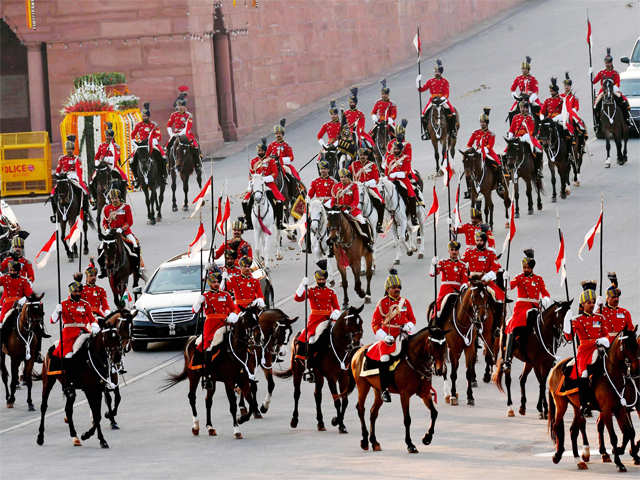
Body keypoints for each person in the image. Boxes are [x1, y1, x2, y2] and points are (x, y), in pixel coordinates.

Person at [366, 269, 416, 402]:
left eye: (398, 287)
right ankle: (384, 390)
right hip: (388, 338)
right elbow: (375, 324)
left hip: (403, 335)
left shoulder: (405, 302)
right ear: (387, 289)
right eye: (394, 287)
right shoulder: (381, 303)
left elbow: (412, 319)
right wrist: (383, 336)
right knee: (384, 358)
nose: (397, 289)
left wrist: (408, 326)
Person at [563, 281, 610, 413]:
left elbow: (606, 335)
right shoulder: (577, 320)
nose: (591, 304)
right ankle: (585, 404)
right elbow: (569, 337)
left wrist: (604, 340)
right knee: (584, 373)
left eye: (593, 302)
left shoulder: (600, 318)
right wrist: (567, 324)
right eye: (588, 302)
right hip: (584, 352)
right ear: (582, 304)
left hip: (600, 349)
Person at [502, 249, 551, 371]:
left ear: (532, 268)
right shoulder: (519, 278)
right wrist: (506, 280)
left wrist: (545, 299)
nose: (525, 270)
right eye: (524, 267)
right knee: (513, 327)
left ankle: (549, 352)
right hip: (521, 309)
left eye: (527, 268)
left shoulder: (538, 279)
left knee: (547, 326)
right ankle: (507, 358)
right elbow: (509, 287)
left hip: (534, 308)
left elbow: (545, 293)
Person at [293, 260, 341, 375]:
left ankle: (341, 362)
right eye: (319, 280)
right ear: (316, 280)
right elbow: (297, 298)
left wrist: (335, 312)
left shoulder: (331, 292)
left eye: (323, 279)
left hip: (328, 319)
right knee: (309, 340)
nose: (321, 281)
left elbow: (336, 306)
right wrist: (302, 285)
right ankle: (308, 366)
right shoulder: (312, 291)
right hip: (315, 320)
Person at [191, 268, 239, 375]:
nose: (216, 284)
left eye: (218, 281)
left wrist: (233, 315)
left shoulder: (225, 295)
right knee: (207, 344)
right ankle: (207, 369)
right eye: (214, 282)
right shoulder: (205, 296)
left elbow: (234, 308)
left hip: (224, 322)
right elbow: (195, 311)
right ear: (209, 283)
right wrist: (198, 302)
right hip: (211, 324)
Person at [50, 279, 100, 360]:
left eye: (79, 291)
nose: (77, 293)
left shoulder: (85, 304)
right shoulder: (63, 304)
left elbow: (92, 319)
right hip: (68, 333)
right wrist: (56, 311)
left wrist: (95, 326)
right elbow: (52, 321)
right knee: (68, 355)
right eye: (75, 291)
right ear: (70, 292)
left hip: (83, 331)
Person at [98, 189, 143, 278]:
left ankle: (137, 268)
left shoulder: (126, 207)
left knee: (134, 244)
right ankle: (103, 269)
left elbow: (130, 221)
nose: (114, 200)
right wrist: (106, 229)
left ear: (120, 198)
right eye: (112, 198)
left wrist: (121, 229)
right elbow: (104, 222)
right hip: (111, 233)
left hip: (124, 232)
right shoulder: (107, 208)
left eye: (116, 198)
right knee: (100, 247)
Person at [242, 139, 285, 230]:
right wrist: (251, 182)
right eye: (258, 151)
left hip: (268, 185)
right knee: (245, 201)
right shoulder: (254, 161)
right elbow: (251, 174)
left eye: (261, 151)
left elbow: (275, 173)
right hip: (257, 185)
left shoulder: (270, 161)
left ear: (265, 151)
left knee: (279, 201)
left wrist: (264, 179)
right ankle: (248, 221)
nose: (260, 152)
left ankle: (279, 222)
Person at [465, 107, 506, 196]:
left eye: (483, 122)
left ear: (487, 123)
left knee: (498, 165)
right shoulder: (476, 133)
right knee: (467, 168)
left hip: (488, 152)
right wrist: (471, 150)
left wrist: (483, 150)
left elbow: (490, 146)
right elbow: (469, 144)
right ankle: (469, 189)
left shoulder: (491, 134)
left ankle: (499, 184)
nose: (482, 124)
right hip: (477, 152)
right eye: (481, 122)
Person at [592, 48, 633, 130]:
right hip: (603, 90)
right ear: (605, 63)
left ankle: (626, 119)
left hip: (613, 89)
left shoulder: (615, 73)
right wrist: (591, 74)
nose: (608, 64)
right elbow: (594, 82)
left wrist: (612, 89)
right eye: (606, 63)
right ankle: (597, 123)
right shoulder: (601, 73)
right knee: (596, 105)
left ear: (611, 63)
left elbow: (618, 83)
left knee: (623, 101)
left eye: (609, 62)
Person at [331, 169, 373, 248]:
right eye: (341, 177)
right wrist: (335, 207)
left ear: (348, 177)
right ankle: (331, 242)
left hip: (351, 211)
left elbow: (356, 201)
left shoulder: (353, 186)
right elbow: (332, 201)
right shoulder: (336, 186)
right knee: (330, 223)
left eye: (344, 177)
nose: (343, 179)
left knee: (362, 221)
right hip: (339, 211)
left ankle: (368, 240)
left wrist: (348, 209)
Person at [429, 240, 468, 323]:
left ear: (458, 251)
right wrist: (433, 265)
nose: (454, 252)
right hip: (445, 289)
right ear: (449, 251)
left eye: (456, 250)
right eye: (452, 250)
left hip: (457, 289)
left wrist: (464, 287)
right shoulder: (443, 262)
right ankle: (434, 323)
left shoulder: (462, 265)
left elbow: (464, 280)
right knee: (439, 307)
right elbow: (433, 274)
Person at [417, 59, 458, 137]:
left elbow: (447, 93)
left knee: (452, 113)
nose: (436, 73)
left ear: (440, 72)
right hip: (432, 100)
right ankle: (426, 132)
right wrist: (418, 82)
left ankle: (452, 130)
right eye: (435, 72)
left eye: (437, 72)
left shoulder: (445, 81)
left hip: (442, 100)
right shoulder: (430, 81)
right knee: (423, 115)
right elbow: (421, 89)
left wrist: (443, 98)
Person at [51, 135, 90, 217]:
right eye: (68, 149)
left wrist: (79, 180)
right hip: (64, 177)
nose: (69, 151)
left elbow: (79, 171)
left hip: (74, 176)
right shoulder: (62, 159)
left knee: (84, 192)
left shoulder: (77, 159)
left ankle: (85, 211)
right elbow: (58, 170)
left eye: (71, 149)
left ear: (73, 150)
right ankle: (55, 213)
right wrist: (58, 175)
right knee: (52, 193)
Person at [461, 228, 504, 303]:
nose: (479, 242)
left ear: (485, 241)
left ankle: (499, 313)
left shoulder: (490, 253)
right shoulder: (469, 252)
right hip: (471, 280)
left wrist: (487, 277)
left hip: (485, 280)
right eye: (477, 241)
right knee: (458, 297)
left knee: (497, 296)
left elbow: (495, 267)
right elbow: (461, 263)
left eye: (481, 241)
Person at [130, 102, 166, 188]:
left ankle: (162, 175)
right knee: (132, 160)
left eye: (145, 116)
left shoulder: (153, 125)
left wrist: (154, 140)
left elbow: (158, 135)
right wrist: (135, 142)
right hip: (142, 145)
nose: (144, 117)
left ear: (148, 116)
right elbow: (132, 135)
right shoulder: (139, 125)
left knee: (163, 158)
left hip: (152, 144)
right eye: (143, 116)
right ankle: (136, 178)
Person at [349, 147, 385, 233]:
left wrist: (367, 183)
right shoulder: (354, 165)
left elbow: (376, 179)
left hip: (369, 187)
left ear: (367, 156)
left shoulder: (372, 165)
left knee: (380, 203)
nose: (362, 157)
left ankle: (379, 224)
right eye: (361, 155)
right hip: (357, 188)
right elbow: (347, 176)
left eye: (364, 155)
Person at [507, 98, 544, 179]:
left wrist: (524, 137)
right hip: (516, 138)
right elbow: (511, 129)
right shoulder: (515, 117)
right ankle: (508, 170)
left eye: (524, 107)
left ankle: (537, 170)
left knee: (537, 150)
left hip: (527, 138)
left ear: (527, 108)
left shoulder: (530, 118)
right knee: (507, 151)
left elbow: (531, 131)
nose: (522, 109)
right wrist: (510, 136)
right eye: (521, 107)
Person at [90, 122, 128, 202]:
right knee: (92, 180)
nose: (108, 137)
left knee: (124, 178)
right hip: (102, 166)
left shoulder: (116, 146)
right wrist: (98, 163)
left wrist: (107, 160)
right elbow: (96, 157)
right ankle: (95, 199)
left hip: (112, 166)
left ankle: (122, 198)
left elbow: (116, 157)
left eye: (110, 136)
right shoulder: (102, 145)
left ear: (112, 136)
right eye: (107, 136)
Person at [384, 141, 418, 225]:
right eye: (394, 149)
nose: (395, 150)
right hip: (391, 180)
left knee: (411, 194)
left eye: (397, 149)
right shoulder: (389, 158)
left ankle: (413, 216)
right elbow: (386, 170)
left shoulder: (406, 158)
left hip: (403, 179)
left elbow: (406, 171)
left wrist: (395, 175)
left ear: (401, 149)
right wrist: (387, 177)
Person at [599, 272, 633, 337]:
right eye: (613, 297)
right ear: (607, 298)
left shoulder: (625, 312)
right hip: (606, 342)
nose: (616, 299)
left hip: (622, 343)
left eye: (617, 297)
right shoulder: (601, 311)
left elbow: (630, 329)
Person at [0, 260, 33, 325]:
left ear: (18, 271)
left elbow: (29, 294)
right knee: (1, 321)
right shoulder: (4, 278)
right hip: (7, 305)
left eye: (14, 271)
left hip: (19, 304)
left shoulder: (23, 280)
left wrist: (26, 299)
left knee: (31, 320)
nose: (12, 272)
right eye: (11, 270)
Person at [560, 72, 587, 138]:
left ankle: (577, 133)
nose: (566, 87)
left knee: (572, 119)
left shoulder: (574, 97)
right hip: (562, 114)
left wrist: (572, 111)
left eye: (568, 85)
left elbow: (576, 107)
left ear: (570, 86)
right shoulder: (561, 96)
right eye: (565, 85)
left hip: (571, 114)